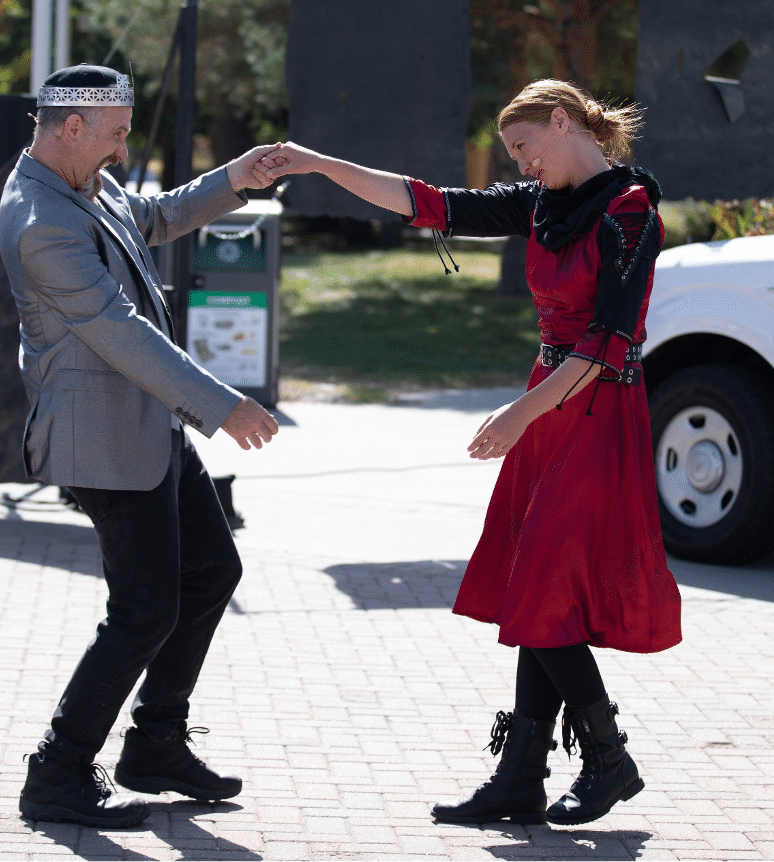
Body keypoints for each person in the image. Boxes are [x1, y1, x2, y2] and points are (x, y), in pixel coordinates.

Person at [269, 79, 682, 826]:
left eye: (525, 146)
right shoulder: (543, 204)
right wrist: (313, 161)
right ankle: (521, 777)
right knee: (539, 593)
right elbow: (428, 201)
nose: (520, 164)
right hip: (547, 404)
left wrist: (520, 415)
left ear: (562, 122)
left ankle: (608, 756)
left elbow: (607, 340)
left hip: (594, 407)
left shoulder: (631, 211)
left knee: (542, 591)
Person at [0, 64, 287, 829]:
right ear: (71, 127)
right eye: (118, 133)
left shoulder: (84, 182)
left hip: (144, 421)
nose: (123, 150)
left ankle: (155, 742)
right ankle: (57, 772)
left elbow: (152, 216)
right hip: (100, 435)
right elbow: (117, 330)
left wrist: (236, 177)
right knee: (143, 609)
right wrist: (220, 405)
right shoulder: (41, 219)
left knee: (212, 568)